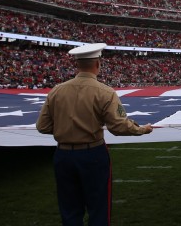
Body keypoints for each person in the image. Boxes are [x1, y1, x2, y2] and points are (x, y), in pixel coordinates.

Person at [36, 43, 153, 226]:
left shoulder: (56, 91)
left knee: (69, 210)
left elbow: (42, 126)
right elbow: (118, 126)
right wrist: (142, 129)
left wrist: (66, 129)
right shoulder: (105, 92)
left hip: (63, 155)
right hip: (93, 154)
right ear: (98, 64)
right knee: (98, 208)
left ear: (77, 65)